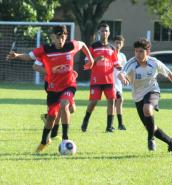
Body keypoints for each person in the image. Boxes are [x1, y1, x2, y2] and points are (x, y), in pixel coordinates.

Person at [7, 25, 94, 153]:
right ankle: (44, 141)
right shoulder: (45, 50)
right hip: (53, 87)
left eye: (63, 37)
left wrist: (90, 58)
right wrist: (17, 55)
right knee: (52, 117)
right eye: (58, 37)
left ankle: (65, 138)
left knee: (65, 105)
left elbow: (82, 44)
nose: (61, 40)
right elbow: (29, 57)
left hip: (69, 84)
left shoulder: (71, 46)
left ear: (66, 37)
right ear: (52, 37)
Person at [118, 39, 172, 152]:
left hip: (152, 90)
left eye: (141, 51)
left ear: (147, 52)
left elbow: (168, 73)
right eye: (136, 51)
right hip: (138, 96)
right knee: (151, 127)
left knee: (147, 109)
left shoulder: (154, 62)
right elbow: (121, 74)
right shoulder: (131, 63)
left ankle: (150, 139)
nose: (138, 54)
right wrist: (123, 78)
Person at [81, 23, 121, 133]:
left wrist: (122, 69)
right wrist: (95, 60)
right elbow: (85, 63)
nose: (104, 33)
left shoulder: (112, 48)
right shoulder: (93, 46)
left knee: (111, 101)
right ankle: (85, 120)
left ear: (109, 33)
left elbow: (116, 63)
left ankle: (109, 126)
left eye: (106, 31)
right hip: (96, 80)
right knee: (93, 102)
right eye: (102, 31)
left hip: (109, 79)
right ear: (99, 32)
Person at [113, 35, 127, 130]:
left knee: (119, 101)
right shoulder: (111, 54)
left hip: (119, 83)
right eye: (116, 42)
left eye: (120, 43)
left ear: (122, 44)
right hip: (111, 81)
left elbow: (125, 69)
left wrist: (124, 77)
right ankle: (118, 124)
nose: (118, 44)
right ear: (113, 43)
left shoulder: (122, 56)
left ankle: (118, 124)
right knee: (117, 100)